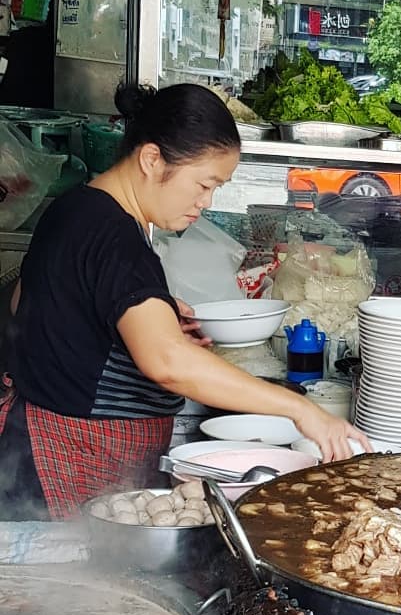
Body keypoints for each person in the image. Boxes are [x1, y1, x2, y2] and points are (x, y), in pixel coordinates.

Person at [0, 82, 370, 520]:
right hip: (70, 459)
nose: (206, 202)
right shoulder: (117, 237)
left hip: (44, 445)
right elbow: (167, 362)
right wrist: (302, 410)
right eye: (204, 184)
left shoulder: (76, 206)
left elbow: (27, 299)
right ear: (152, 159)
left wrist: (144, 311)